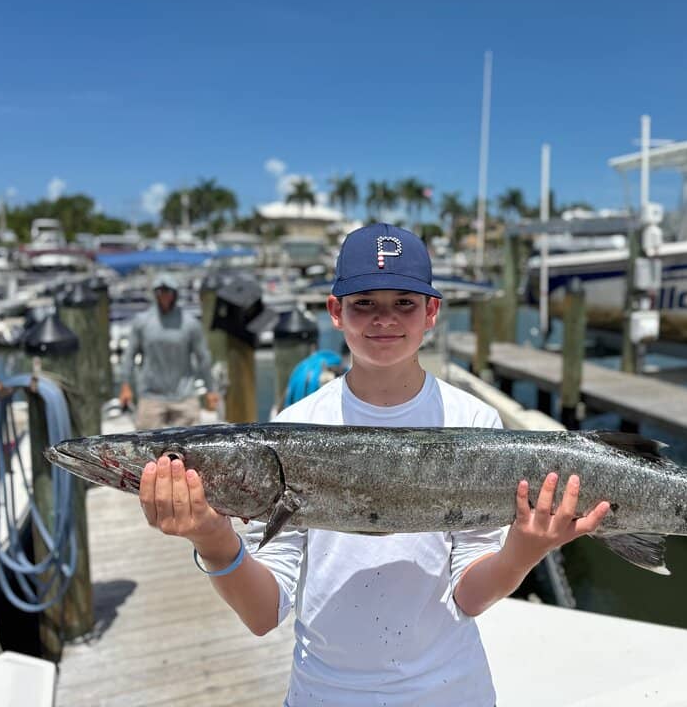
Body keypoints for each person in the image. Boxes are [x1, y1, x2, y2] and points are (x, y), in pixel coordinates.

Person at [137, 224, 610, 706]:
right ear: (336, 312)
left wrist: (523, 551)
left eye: (404, 302)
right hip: (324, 693)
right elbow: (263, 614)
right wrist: (213, 540)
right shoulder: (297, 423)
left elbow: (469, 597)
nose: (384, 318)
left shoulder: (473, 420)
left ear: (431, 313)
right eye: (364, 303)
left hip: (450, 691)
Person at [119, 273, 220, 430]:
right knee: (145, 446)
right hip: (151, 395)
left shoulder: (190, 323)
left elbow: (203, 358)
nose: (164, 296)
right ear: (155, 294)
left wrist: (210, 390)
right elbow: (129, 356)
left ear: (175, 294)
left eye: (168, 292)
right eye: (160, 292)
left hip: (184, 395)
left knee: (189, 447)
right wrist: (125, 385)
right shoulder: (142, 321)